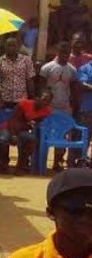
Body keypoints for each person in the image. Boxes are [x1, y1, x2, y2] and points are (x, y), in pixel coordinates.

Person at [41, 42, 78, 171]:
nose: (65, 55)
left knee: (62, 135)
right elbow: (41, 86)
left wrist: (72, 105)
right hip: (49, 107)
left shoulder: (72, 70)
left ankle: (57, 162)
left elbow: (73, 88)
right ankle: (41, 163)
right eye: (62, 52)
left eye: (67, 53)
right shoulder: (47, 67)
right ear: (58, 52)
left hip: (64, 107)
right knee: (45, 133)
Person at [0, 90, 53, 172]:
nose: (44, 102)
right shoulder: (24, 104)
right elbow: (13, 120)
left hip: (22, 131)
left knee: (32, 140)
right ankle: (3, 165)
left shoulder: (46, 111)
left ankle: (21, 165)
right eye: (43, 99)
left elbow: (38, 123)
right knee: (3, 140)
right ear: (37, 98)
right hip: (8, 127)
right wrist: (13, 135)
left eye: (47, 101)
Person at [0, 37, 35, 108]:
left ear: (18, 46)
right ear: (5, 47)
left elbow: (29, 79)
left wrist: (32, 96)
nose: (11, 48)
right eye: (9, 45)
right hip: (4, 99)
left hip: (22, 99)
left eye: (14, 45)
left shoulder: (26, 60)